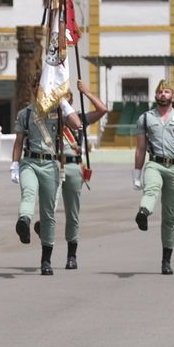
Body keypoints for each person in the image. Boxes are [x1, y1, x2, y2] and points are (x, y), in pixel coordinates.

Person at [132, 81, 174, 275]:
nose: (163, 94)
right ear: (155, 95)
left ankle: (166, 260)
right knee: (151, 187)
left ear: (173, 95)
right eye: (160, 91)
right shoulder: (145, 118)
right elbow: (141, 148)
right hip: (154, 163)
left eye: (166, 91)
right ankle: (143, 212)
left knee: (170, 216)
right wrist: (137, 173)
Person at [55, 82, 107, 270]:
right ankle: (46, 244)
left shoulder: (79, 118)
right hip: (54, 165)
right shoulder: (50, 119)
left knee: (73, 213)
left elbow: (102, 110)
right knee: (49, 209)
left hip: (74, 166)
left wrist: (86, 92)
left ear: (71, 100)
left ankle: (71, 255)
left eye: (66, 98)